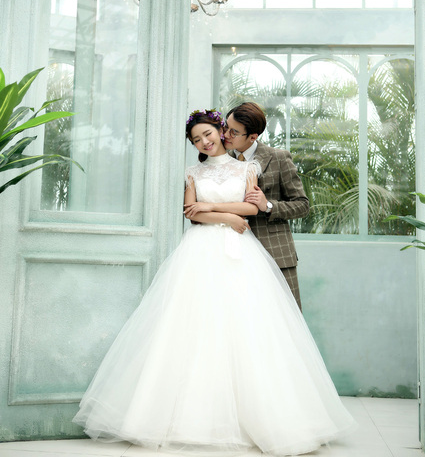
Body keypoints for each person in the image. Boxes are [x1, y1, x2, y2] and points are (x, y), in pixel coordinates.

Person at [72, 109, 355, 456]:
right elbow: (190, 212)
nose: (204, 141)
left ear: (221, 132)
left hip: (242, 252)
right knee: (195, 326)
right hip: (200, 252)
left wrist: (213, 210)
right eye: (196, 139)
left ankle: (268, 415)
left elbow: (251, 208)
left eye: (208, 134)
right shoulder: (193, 172)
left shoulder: (248, 168)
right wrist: (223, 217)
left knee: (247, 327)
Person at [224, 102, 309, 310]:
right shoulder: (222, 160)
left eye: (234, 132)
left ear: (252, 137)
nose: (226, 134)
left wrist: (268, 205)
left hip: (275, 253)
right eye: (226, 127)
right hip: (232, 253)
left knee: (284, 318)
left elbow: (302, 205)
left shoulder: (278, 158)